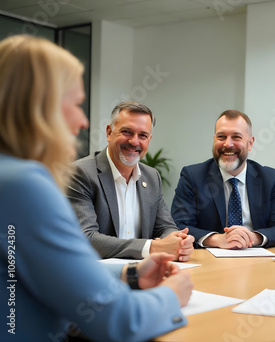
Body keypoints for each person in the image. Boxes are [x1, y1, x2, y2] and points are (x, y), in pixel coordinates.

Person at [0, 35, 193, 342]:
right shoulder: (24, 184)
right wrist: (172, 295)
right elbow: (117, 321)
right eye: (75, 104)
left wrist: (130, 273)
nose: (82, 120)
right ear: (37, 105)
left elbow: (58, 270)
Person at [67, 101, 194, 260]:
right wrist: (151, 247)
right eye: (127, 132)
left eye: (143, 135)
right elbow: (86, 237)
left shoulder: (152, 177)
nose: (134, 142)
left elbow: (165, 227)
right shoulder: (81, 173)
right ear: (109, 132)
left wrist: (179, 241)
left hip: (146, 272)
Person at [171, 110, 275, 249]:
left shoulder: (270, 178)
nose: (227, 144)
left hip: (257, 259)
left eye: (236, 137)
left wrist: (252, 237)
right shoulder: (193, 176)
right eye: (221, 137)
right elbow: (179, 226)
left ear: (250, 143)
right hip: (209, 261)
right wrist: (218, 239)